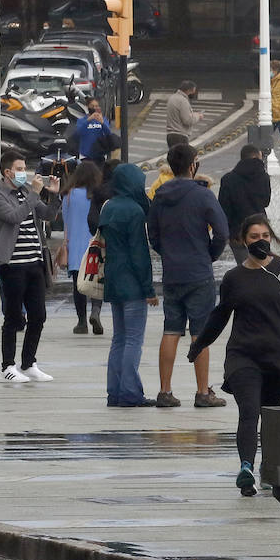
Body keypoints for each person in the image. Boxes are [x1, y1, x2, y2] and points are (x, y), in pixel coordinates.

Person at [187, 215, 280, 496]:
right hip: (243, 357)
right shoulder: (234, 278)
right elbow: (220, 315)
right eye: (254, 237)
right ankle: (246, 469)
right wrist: (200, 344)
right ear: (242, 241)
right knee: (249, 413)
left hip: (279, 357)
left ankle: (268, 469)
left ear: (271, 238)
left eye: (265, 235)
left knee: (271, 417)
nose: (261, 241)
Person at [148, 142, 229, 408]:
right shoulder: (203, 195)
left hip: (172, 273)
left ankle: (164, 391)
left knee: (171, 329)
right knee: (200, 332)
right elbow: (222, 233)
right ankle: (203, 391)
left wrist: (168, 253)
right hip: (198, 272)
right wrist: (210, 254)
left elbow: (154, 236)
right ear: (193, 165)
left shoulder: (160, 195)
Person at [0, 149, 61, 384]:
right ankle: (7, 366)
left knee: (38, 315)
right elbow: (14, 217)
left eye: (24, 169)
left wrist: (54, 195)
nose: (24, 173)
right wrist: (34, 194)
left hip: (34, 263)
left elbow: (48, 214)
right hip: (13, 265)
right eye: (19, 169)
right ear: (7, 172)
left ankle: (28, 363)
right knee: (12, 317)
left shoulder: (26, 191)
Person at [100, 163, 158, 407]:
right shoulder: (134, 211)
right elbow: (139, 254)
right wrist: (149, 289)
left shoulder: (108, 207)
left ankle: (114, 391)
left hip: (113, 281)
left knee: (119, 339)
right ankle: (131, 392)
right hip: (132, 284)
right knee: (134, 340)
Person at [61, 161, 105, 335]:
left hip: (75, 246)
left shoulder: (69, 195)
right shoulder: (97, 196)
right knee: (96, 281)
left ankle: (81, 322)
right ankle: (96, 311)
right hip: (94, 244)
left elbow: (65, 222)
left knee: (78, 285)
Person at [218, 145, 270, 264]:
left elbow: (223, 208)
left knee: (243, 267)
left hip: (237, 230)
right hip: (260, 228)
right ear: (257, 157)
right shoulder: (264, 177)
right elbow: (266, 202)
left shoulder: (228, 179)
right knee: (261, 265)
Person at [72, 97, 114, 162]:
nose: (94, 108)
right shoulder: (81, 120)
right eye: (92, 106)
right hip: (85, 155)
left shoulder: (103, 119)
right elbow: (78, 133)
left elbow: (108, 134)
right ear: (87, 107)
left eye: (96, 106)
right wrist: (88, 120)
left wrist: (102, 123)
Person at [165, 81, 203, 148]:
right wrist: (198, 116)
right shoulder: (183, 101)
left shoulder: (172, 98)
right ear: (188, 90)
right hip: (180, 136)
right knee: (183, 158)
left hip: (170, 136)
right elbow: (187, 120)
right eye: (193, 91)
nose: (194, 93)